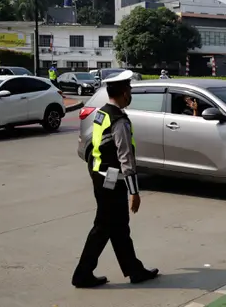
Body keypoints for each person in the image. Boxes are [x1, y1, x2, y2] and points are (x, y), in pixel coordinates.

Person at [72, 70, 159, 288]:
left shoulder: (102, 113)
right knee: (103, 228)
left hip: (100, 177)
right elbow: (125, 157)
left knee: (119, 227)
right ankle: (82, 274)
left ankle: (134, 270)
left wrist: (95, 173)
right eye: (129, 90)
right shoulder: (119, 120)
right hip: (112, 182)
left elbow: (97, 146)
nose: (130, 93)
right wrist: (134, 192)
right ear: (122, 92)